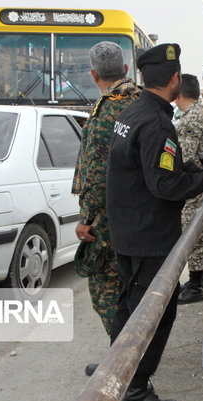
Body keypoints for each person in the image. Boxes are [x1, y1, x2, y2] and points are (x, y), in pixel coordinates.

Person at [106, 43, 203, 401]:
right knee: (155, 313)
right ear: (175, 79)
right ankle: (136, 391)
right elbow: (165, 185)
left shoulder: (131, 112)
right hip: (148, 236)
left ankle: (116, 372)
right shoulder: (158, 123)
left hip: (127, 231)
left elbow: (165, 171)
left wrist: (201, 173)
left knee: (130, 305)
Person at [71, 41, 140, 372]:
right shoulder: (140, 102)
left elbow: (97, 175)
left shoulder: (105, 111)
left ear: (93, 74)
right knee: (129, 289)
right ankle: (126, 359)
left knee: (105, 293)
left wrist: (86, 219)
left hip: (109, 220)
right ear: (125, 70)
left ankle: (123, 366)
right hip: (138, 217)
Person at [173, 74, 203, 304]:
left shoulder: (190, 120)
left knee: (191, 236)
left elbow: (186, 157)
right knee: (196, 235)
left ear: (178, 94)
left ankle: (196, 286)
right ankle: (200, 280)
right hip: (202, 182)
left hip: (194, 185)